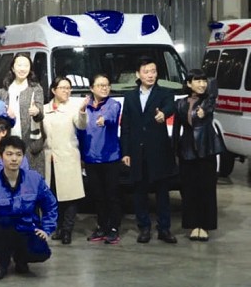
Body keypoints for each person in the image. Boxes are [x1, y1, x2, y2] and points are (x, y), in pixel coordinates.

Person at [0, 136, 58, 280]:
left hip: (26, 229)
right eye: (9, 154)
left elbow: (50, 205)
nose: (14, 159)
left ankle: (21, 259)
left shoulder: (34, 179)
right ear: (1, 156)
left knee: (41, 252)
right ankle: (2, 262)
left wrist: (46, 229)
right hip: (2, 233)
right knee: (2, 225)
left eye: (18, 154)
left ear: (23, 157)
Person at [121, 57, 178, 244]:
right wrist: (126, 152)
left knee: (162, 192)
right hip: (137, 152)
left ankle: (164, 229)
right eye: (146, 72)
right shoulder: (130, 96)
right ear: (138, 74)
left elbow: (170, 106)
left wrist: (164, 114)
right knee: (140, 192)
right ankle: (144, 227)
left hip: (158, 151)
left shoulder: (164, 93)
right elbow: (126, 126)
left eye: (153, 71)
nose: (150, 75)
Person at [172, 69, 225, 242]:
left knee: (207, 189)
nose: (202, 84)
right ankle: (193, 225)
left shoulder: (209, 100)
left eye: (204, 81)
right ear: (189, 84)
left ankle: (205, 226)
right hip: (187, 151)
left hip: (206, 149)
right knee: (189, 190)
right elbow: (176, 129)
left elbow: (213, 93)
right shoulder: (180, 103)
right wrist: (174, 151)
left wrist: (204, 110)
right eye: (198, 81)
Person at [78, 74, 123, 245]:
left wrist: (104, 119)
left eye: (107, 85)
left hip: (110, 158)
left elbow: (111, 116)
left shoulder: (113, 104)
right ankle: (102, 226)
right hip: (91, 158)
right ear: (91, 88)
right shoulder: (85, 106)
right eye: (100, 85)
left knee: (112, 195)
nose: (104, 88)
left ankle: (114, 228)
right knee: (98, 196)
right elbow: (80, 130)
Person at [42, 76, 86, 245]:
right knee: (54, 196)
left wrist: (82, 112)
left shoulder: (74, 108)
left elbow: (81, 125)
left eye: (68, 88)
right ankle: (58, 228)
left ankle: (67, 230)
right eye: (63, 88)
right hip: (49, 159)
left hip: (68, 157)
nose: (66, 91)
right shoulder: (44, 110)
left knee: (70, 196)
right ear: (54, 90)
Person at [0, 54, 45, 174]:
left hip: (30, 142)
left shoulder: (36, 88)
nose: (22, 69)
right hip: (9, 140)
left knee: (31, 177)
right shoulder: (4, 90)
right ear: (13, 68)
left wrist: (36, 111)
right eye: (19, 65)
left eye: (26, 65)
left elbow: (40, 113)